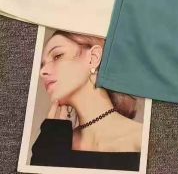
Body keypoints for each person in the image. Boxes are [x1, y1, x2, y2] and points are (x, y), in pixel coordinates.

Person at [31, 31, 142, 170]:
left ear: (93, 58)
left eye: (57, 56)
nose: (42, 72)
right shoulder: (53, 142)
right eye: (42, 65)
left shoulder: (143, 138)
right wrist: (48, 149)